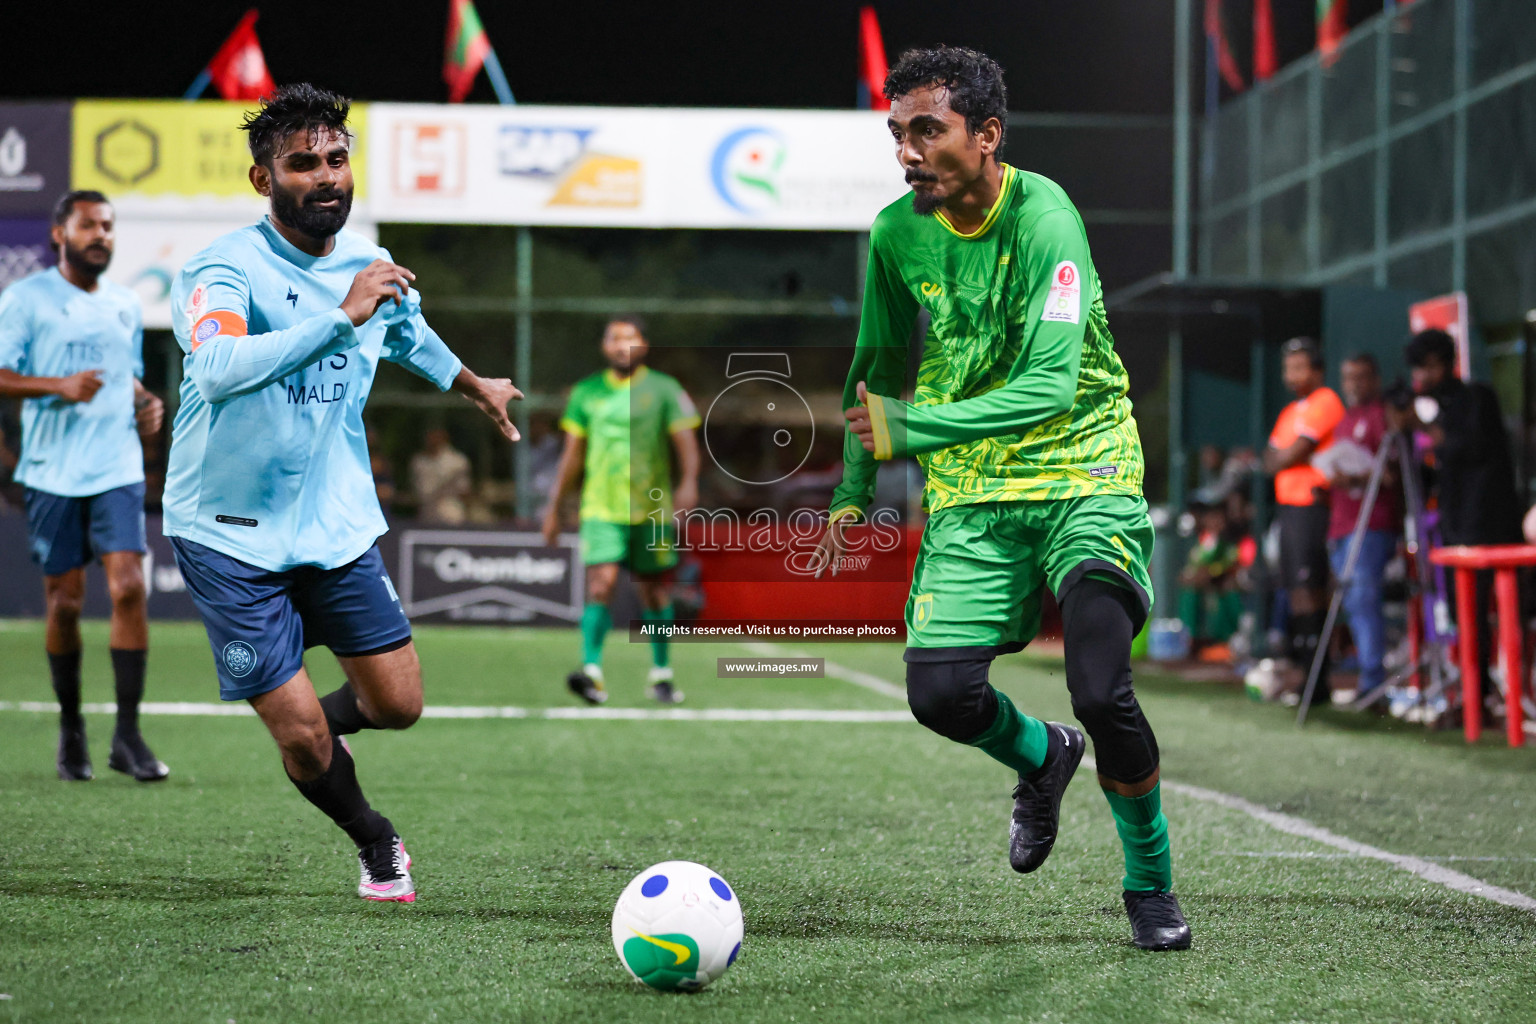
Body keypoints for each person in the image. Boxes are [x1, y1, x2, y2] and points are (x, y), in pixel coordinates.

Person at [811, 46, 1189, 951]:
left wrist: (912, 431)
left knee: (1101, 685)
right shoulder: (896, 233)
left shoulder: (1046, 217)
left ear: (986, 136)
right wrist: (855, 492)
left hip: (1082, 468)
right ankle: (1041, 756)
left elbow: (1054, 386)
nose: (906, 151)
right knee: (939, 694)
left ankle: (1150, 885)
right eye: (897, 133)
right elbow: (874, 366)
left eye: (926, 130)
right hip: (974, 493)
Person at [165, 85, 521, 902]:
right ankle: (373, 837)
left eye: (336, 158)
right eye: (302, 164)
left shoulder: (367, 259)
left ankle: (316, 736)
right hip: (227, 531)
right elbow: (216, 369)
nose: (326, 177)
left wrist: (471, 384)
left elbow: (403, 329)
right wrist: (338, 314)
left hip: (331, 523)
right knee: (296, 733)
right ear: (264, 180)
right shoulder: (221, 268)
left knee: (397, 705)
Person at [0, 189, 168, 782]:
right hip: (51, 473)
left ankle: (128, 735)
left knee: (128, 590)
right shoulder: (24, 300)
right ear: (58, 234)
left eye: (108, 226)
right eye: (89, 225)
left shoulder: (125, 304)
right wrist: (56, 385)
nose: (101, 235)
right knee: (65, 603)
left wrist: (148, 404)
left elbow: (131, 382)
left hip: (117, 469)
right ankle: (72, 731)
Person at [541, 315, 701, 705]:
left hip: (651, 510)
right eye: (614, 338)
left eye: (629, 338)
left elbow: (686, 442)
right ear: (604, 346)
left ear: (643, 345)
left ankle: (661, 674)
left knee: (653, 592)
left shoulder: (665, 389)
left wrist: (689, 481)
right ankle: (592, 673)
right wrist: (554, 506)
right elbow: (572, 455)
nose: (620, 345)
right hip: (600, 507)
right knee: (602, 585)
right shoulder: (586, 393)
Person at [1405, 328, 1522, 700]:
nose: (1419, 378)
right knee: (1462, 613)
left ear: (1440, 364)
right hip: (1455, 525)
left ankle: (1499, 692)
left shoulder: (1476, 397)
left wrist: (1423, 426)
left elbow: (1469, 447)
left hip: (1488, 526)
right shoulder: (1441, 408)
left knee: (1496, 611)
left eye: (1423, 368)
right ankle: (1475, 693)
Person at [1263, 337, 1344, 700]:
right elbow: (1271, 460)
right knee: (1296, 594)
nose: (1291, 375)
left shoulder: (1325, 401)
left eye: (1299, 367)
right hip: (1289, 508)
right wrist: (1283, 456)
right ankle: (1307, 677)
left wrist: (1285, 456)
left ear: (1317, 370)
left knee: (1312, 592)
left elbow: (1293, 453)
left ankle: (1318, 682)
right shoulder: (1288, 412)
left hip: (1313, 507)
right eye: (1287, 368)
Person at [1321, 354, 1399, 704]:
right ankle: (1367, 677)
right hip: (1341, 523)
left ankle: (1373, 681)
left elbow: (1392, 473)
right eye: (1348, 377)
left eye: (1361, 377)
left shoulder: (1382, 416)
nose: (1353, 384)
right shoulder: (1345, 420)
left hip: (1371, 523)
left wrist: (1354, 476)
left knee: (1365, 598)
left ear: (1375, 379)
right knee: (1352, 601)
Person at [410, 426, 471, 524]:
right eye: (430, 437)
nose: (432, 440)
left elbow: (464, 489)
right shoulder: (419, 461)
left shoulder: (457, 461)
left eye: (436, 437)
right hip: (426, 509)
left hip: (450, 508)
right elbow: (416, 487)